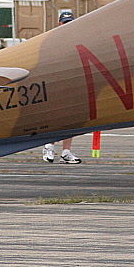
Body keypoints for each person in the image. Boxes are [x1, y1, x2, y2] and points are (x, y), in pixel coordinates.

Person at [43, 10, 80, 164]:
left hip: (71, 81)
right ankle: (49, 147)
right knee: (56, 117)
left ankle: (66, 151)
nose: (67, 25)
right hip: (56, 82)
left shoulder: (76, 39)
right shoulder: (52, 39)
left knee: (70, 118)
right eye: (65, 23)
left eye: (70, 22)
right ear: (59, 24)